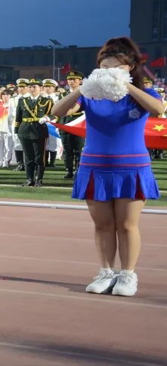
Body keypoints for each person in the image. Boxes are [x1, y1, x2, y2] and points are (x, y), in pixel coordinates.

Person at [52, 37, 164, 297]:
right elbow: (58, 111)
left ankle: (128, 275)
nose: (109, 72)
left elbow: (157, 109)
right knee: (102, 225)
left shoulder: (143, 93)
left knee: (127, 225)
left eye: (116, 67)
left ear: (130, 67)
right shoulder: (91, 96)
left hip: (131, 167)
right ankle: (105, 272)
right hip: (95, 167)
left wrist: (127, 85)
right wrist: (83, 88)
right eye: (104, 67)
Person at [14, 79, 53, 187]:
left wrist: (47, 118)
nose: (32, 89)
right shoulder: (22, 100)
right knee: (28, 157)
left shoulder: (47, 101)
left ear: (40, 88)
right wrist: (17, 130)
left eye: (34, 87)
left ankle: (38, 179)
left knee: (39, 158)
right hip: (25, 130)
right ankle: (29, 179)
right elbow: (18, 116)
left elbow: (54, 114)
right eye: (30, 87)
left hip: (39, 130)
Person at [59, 71, 85, 178]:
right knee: (67, 149)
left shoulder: (85, 94)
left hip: (79, 123)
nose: (71, 81)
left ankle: (78, 170)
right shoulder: (62, 94)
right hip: (65, 123)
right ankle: (69, 170)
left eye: (74, 79)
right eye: (70, 79)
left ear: (80, 81)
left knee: (79, 149)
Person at [42, 79, 61, 167]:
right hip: (42, 122)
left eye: (50, 87)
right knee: (43, 142)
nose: (48, 88)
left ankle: (52, 161)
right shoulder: (41, 98)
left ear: (54, 88)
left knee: (53, 141)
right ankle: (44, 161)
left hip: (53, 122)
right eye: (46, 86)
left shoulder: (58, 98)